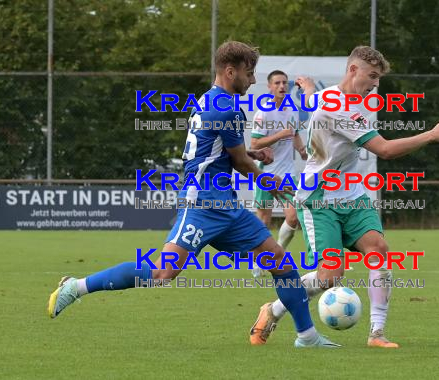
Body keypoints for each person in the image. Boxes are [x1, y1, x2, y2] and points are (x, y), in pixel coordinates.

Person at [47, 41, 340, 348]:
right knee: (162, 272)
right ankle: (76, 287)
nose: (253, 81)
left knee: (279, 261)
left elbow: (216, 150)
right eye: (249, 73)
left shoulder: (211, 100)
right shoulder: (225, 108)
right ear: (230, 71)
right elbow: (238, 162)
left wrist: (252, 152)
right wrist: (273, 183)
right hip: (202, 203)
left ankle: (307, 337)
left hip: (225, 205)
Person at [249, 45, 439, 347]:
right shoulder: (336, 107)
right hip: (319, 199)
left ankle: (377, 334)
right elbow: (384, 149)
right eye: (372, 76)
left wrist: (305, 90)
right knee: (330, 275)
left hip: (352, 196)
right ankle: (274, 309)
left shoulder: (336, 96)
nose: (375, 85)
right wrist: (430, 135)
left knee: (379, 250)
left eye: (379, 79)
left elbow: (310, 100)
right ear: (353, 70)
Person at [250, 70, 307, 277]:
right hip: (265, 174)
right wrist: (280, 134)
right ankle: (259, 260)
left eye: (284, 83)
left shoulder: (292, 111)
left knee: (293, 217)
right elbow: (255, 144)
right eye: (277, 83)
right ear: (269, 87)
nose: (282, 86)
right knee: (263, 221)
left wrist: (301, 150)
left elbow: (296, 134)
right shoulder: (263, 112)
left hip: (288, 174)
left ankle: (277, 253)